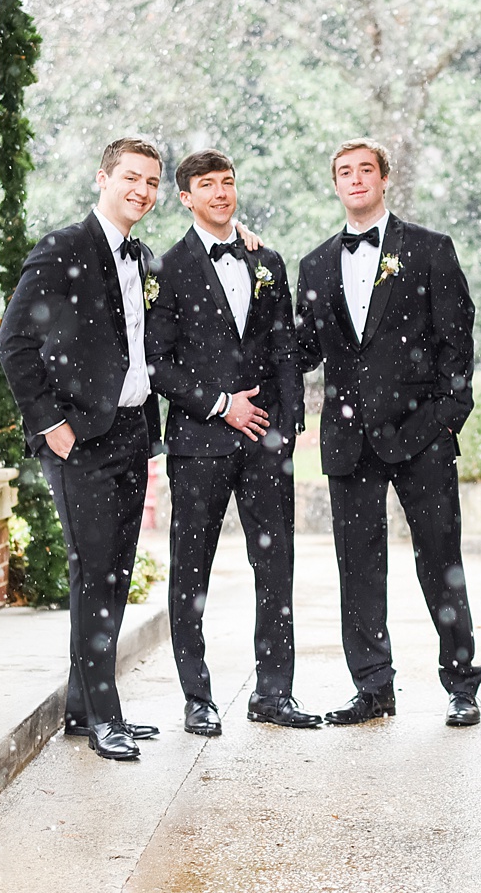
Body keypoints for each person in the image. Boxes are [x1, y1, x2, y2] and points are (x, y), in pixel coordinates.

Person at [294, 139, 481, 727]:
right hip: (349, 442)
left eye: (365, 171)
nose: (355, 180)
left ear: (384, 179)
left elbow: (459, 340)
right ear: (335, 185)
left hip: (422, 433)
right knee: (358, 567)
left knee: (440, 560)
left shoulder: (429, 250)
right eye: (344, 173)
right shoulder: (316, 263)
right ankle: (373, 687)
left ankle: (461, 683)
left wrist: (446, 416)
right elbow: (302, 350)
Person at [0, 137, 167, 762]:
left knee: (113, 573)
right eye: (130, 177)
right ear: (102, 178)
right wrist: (49, 425)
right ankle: (106, 715)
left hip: (129, 433)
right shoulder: (62, 248)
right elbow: (14, 343)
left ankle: (82, 706)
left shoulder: (143, 257)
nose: (141, 191)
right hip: (78, 440)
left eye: (151, 182)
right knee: (95, 572)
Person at [146, 149, 319, 736]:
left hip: (266, 445)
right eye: (207, 186)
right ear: (186, 197)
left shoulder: (267, 260)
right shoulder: (167, 269)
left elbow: (284, 350)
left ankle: (275, 693)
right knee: (190, 572)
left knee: (276, 569)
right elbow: (158, 363)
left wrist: (288, 425)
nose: (221, 193)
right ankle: (198, 697)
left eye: (228, 182)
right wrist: (222, 405)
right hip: (199, 445)